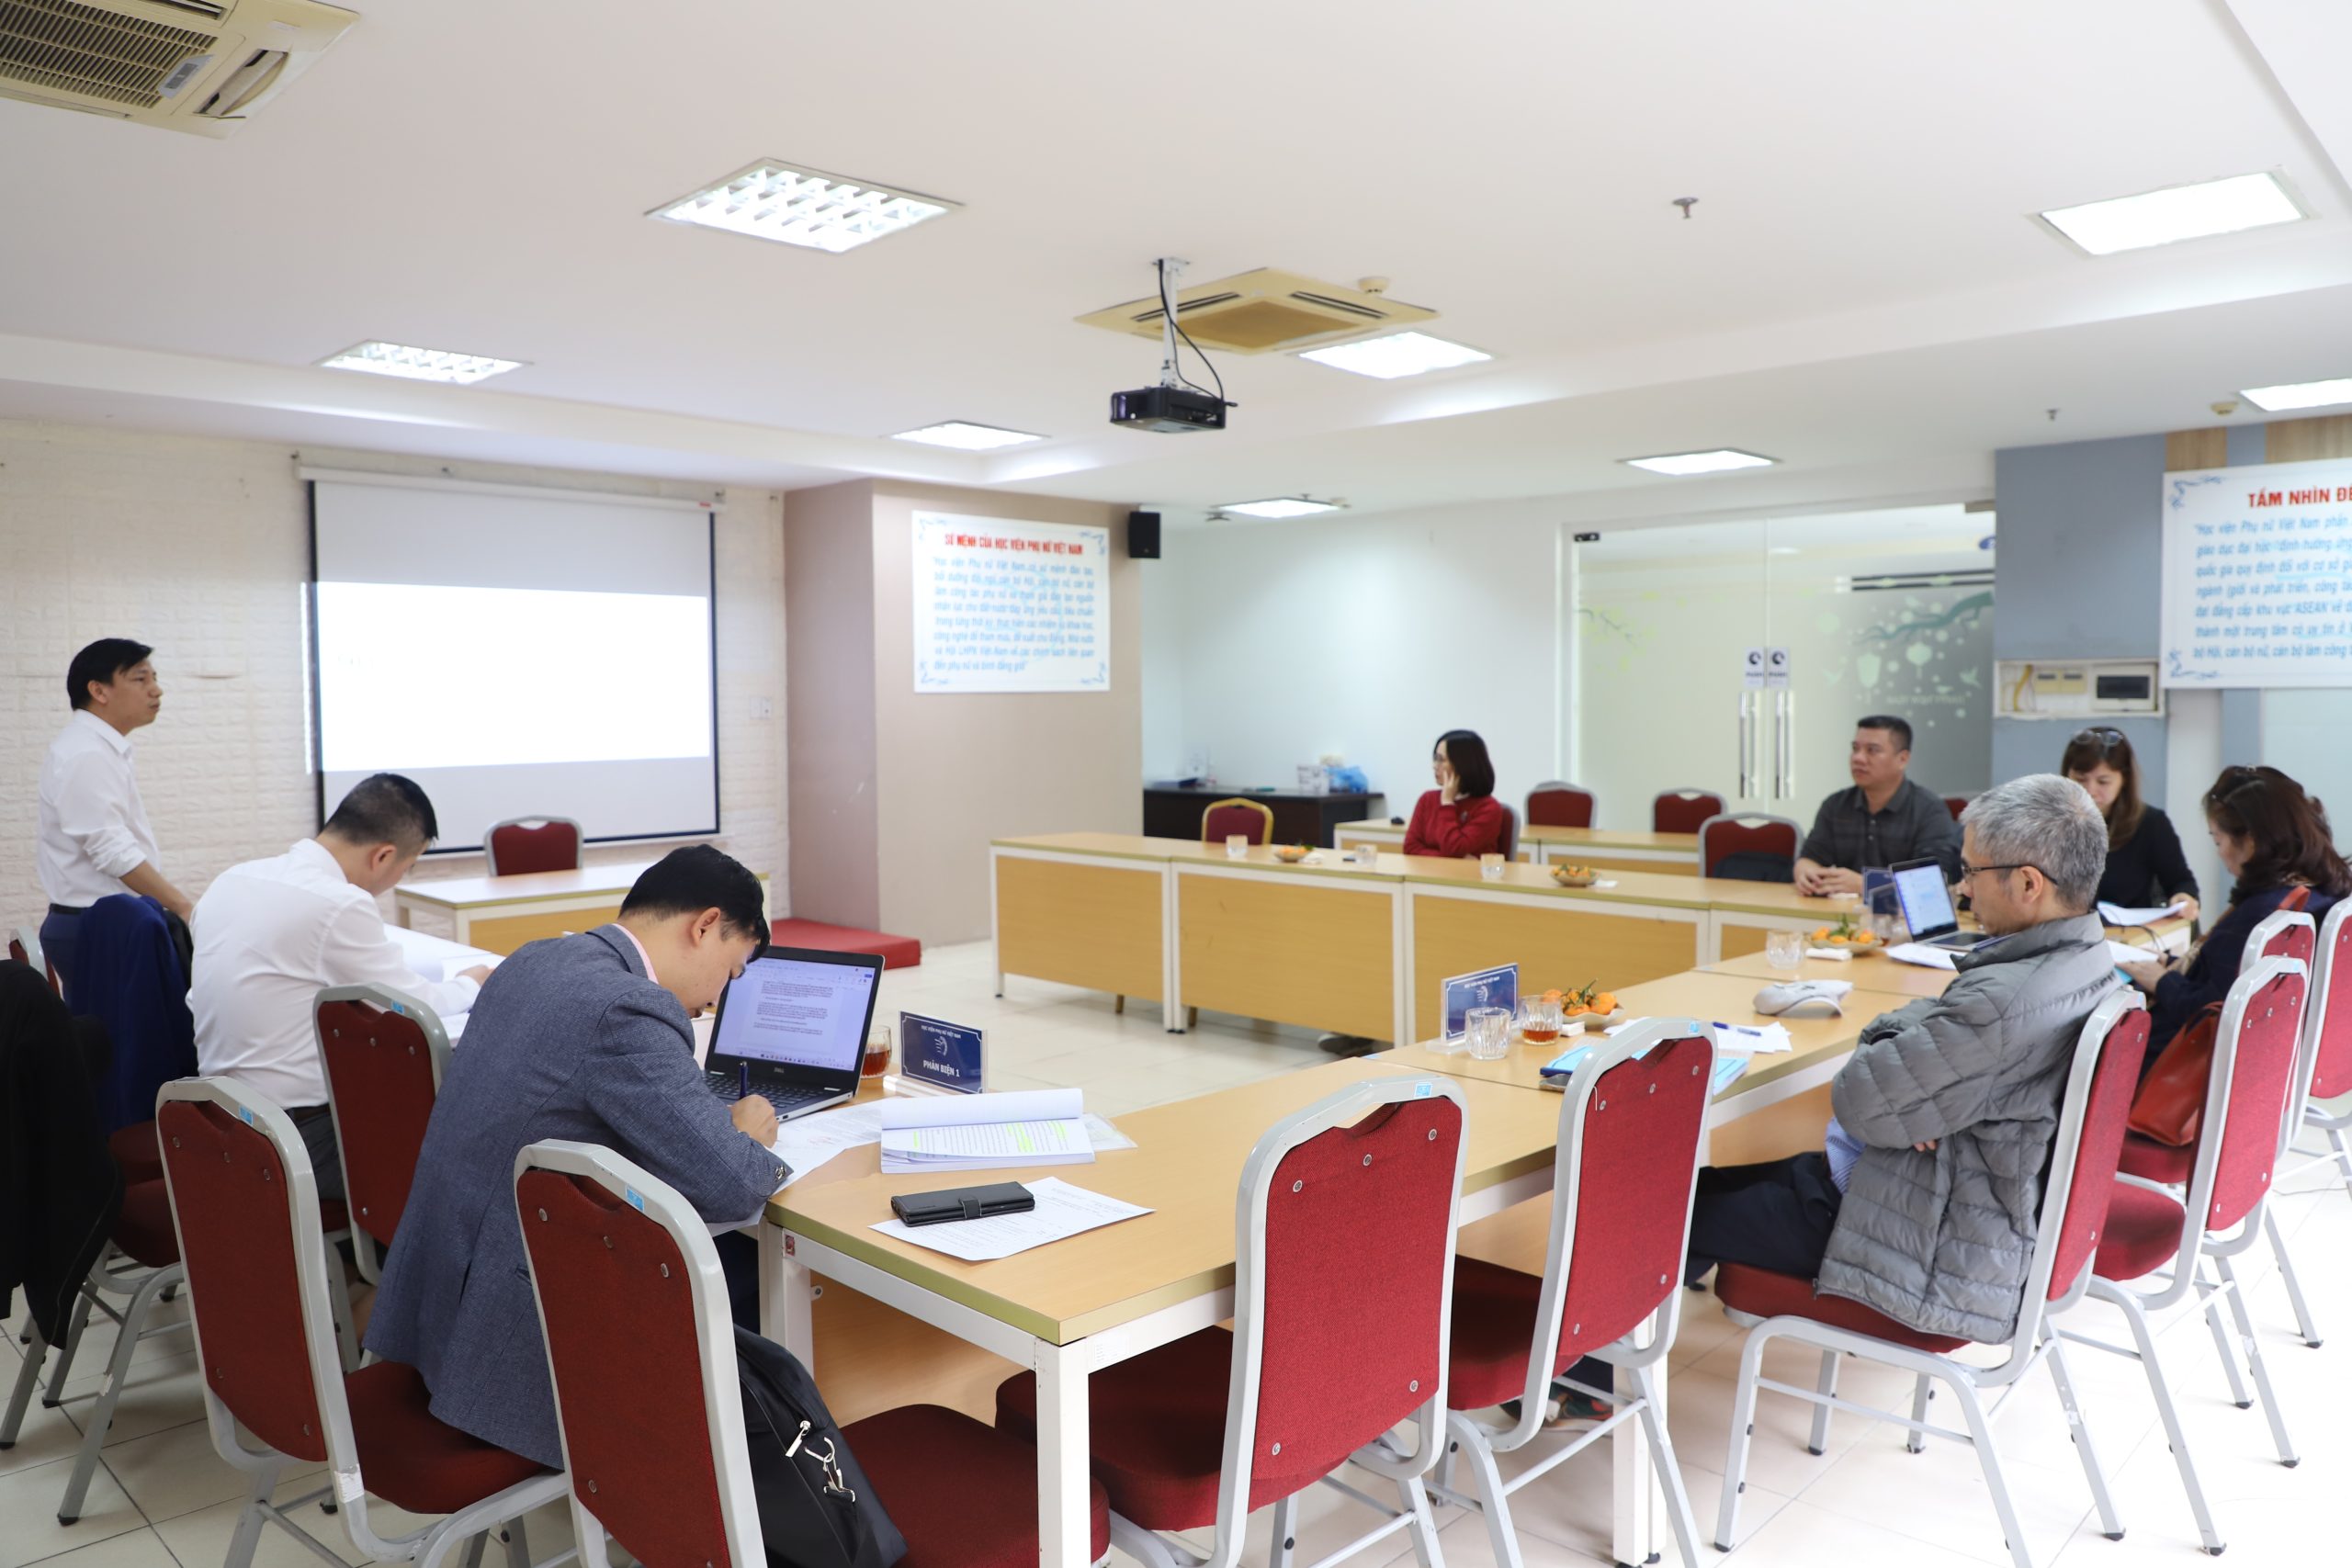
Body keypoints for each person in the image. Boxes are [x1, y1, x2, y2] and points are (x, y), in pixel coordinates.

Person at [1537, 775, 2117, 1423]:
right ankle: (1593, 1367)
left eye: (1972, 872)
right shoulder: (2085, 961)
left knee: (1658, 1208)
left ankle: (1577, 1375)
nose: (1962, 889)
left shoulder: (2002, 1002)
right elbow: (1905, 1071)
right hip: (1946, 1202)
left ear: (2029, 884)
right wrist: (1921, 1083)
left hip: (1919, 1235)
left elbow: (1858, 1098)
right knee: (1698, 1188)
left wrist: (1895, 1058)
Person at [363, 845, 786, 1469]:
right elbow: (735, 1184)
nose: (719, 996)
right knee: (758, 1266)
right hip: (509, 1337)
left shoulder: (532, 958)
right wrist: (744, 1132)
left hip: (438, 1302)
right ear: (704, 926)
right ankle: (721, 1482)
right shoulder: (629, 1007)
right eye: (732, 969)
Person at [188, 774, 493, 1201]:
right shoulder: (336, 903)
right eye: (408, 866)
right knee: (475, 1129)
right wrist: (472, 982)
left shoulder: (232, 880)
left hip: (216, 1120)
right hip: (292, 1139)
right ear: (383, 856)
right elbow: (416, 1007)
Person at [2121, 765, 2349, 1054]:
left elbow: (2213, 1011)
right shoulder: (2324, 894)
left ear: (2250, 843)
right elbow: (2231, 976)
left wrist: (2161, 981)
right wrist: (2176, 965)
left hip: (2183, 1059)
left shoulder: (2259, 916)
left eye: (2218, 840)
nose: (2218, 852)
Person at [36, 639, 190, 987]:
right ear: (99, 691)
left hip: (105, 921)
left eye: (154, 678)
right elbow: (112, 850)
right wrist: (182, 906)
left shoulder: (97, 747)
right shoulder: (86, 752)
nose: (156, 689)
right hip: (98, 926)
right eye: (140, 679)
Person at [1793, 714, 1961, 895]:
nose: (1858, 758)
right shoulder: (1835, 805)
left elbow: (1931, 880)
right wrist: (1806, 873)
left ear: (1902, 759)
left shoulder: (1929, 810)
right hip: (1841, 910)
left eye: (1872, 750)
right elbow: (1810, 858)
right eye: (1855, 748)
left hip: (1902, 911)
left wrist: (1866, 884)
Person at [2061, 727, 2199, 919]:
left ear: (2124, 779)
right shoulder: (2048, 824)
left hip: (2131, 931)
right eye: (2080, 779)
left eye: (2103, 782)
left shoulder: (2151, 823)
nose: (2090, 791)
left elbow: (2181, 882)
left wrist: (2183, 898)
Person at [1404, 730, 1507, 858]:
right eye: (1435, 758)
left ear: (1463, 764)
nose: (1435, 766)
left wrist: (1447, 803)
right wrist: (1455, 858)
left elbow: (1455, 849)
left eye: (1441, 760)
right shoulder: (1427, 799)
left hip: (1470, 872)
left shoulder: (1488, 808)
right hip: (1429, 870)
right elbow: (1410, 848)